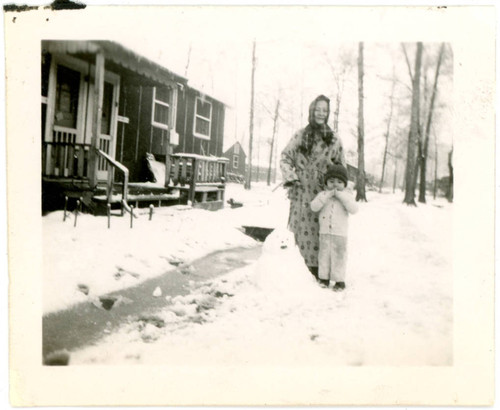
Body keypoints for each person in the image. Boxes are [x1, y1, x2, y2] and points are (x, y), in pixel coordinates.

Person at [280, 94, 346, 282]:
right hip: (301, 192)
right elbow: (285, 157)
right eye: (318, 109)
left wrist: (336, 188)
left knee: (322, 232)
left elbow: (342, 167)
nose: (321, 113)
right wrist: (291, 178)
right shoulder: (300, 135)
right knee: (299, 231)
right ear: (312, 110)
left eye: (324, 110)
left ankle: (321, 272)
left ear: (328, 113)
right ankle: (296, 269)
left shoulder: (334, 139)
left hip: (322, 194)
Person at [310, 163, 358, 291]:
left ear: (344, 184)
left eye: (339, 182)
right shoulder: (323, 195)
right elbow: (314, 207)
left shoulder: (347, 197)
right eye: (331, 181)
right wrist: (326, 196)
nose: (335, 185)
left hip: (340, 234)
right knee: (324, 256)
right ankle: (324, 278)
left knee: (339, 257)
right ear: (326, 183)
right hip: (324, 232)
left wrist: (341, 196)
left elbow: (354, 209)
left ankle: (339, 280)